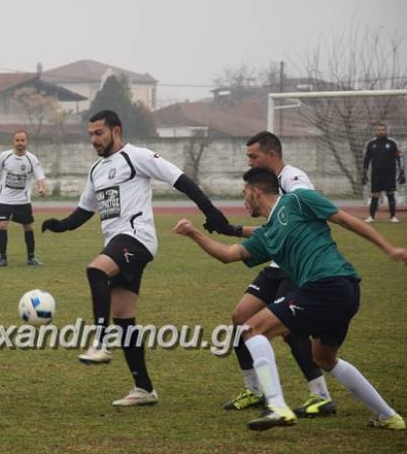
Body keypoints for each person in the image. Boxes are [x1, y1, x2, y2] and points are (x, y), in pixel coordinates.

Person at [173, 166, 406, 431]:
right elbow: (228, 255)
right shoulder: (267, 232)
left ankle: (277, 406)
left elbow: (344, 219)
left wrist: (389, 248)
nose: (243, 200)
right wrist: (194, 234)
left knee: (252, 328)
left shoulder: (298, 198)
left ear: (255, 191)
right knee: (324, 358)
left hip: (328, 284)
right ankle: (389, 416)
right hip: (345, 290)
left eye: (244, 194)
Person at [42, 109, 231, 407]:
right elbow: (84, 211)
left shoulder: (137, 156)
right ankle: (144, 388)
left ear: (116, 131)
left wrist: (211, 212)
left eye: (99, 133)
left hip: (136, 238)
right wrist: (60, 225)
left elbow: (179, 179)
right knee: (124, 317)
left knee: (95, 270)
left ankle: (100, 343)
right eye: (90, 134)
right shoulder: (96, 170)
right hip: (118, 244)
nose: (94, 139)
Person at [219, 131, 335, 417]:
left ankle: (320, 395)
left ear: (271, 155)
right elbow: (273, 230)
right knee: (239, 317)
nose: (250, 162)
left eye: (253, 156)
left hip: (294, 266)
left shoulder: (294, 181)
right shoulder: (268, 184)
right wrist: (233, 230)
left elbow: (297, 225)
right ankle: (255, 391)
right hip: (275, 265)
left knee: (290, 329)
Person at [0, 130, 46, 267]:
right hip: (5, 200)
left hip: (23, 201)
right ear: (13, 141)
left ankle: (31, 258)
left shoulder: (32, 159)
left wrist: (41, 187)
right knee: (2, 226)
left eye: (22, 140)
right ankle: (3, 258)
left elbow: (39, 176)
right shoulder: (4, 156)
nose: (20, 143)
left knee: (28, 227)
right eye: (17, 140)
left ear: (26, 142)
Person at [363, 122, 405, 223]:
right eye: (378, 130)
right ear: (376, 131)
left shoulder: (392, 143)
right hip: (376, 173)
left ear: (386, 131)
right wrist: (364, 171)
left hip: (389, 173)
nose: (380, 132)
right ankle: (371, 217)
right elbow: (367, 158)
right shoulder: (371, 144)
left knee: (390, 194)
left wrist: (402, 171)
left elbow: (399, 157)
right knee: (374, 195)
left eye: (382, 130)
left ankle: (393, 217)